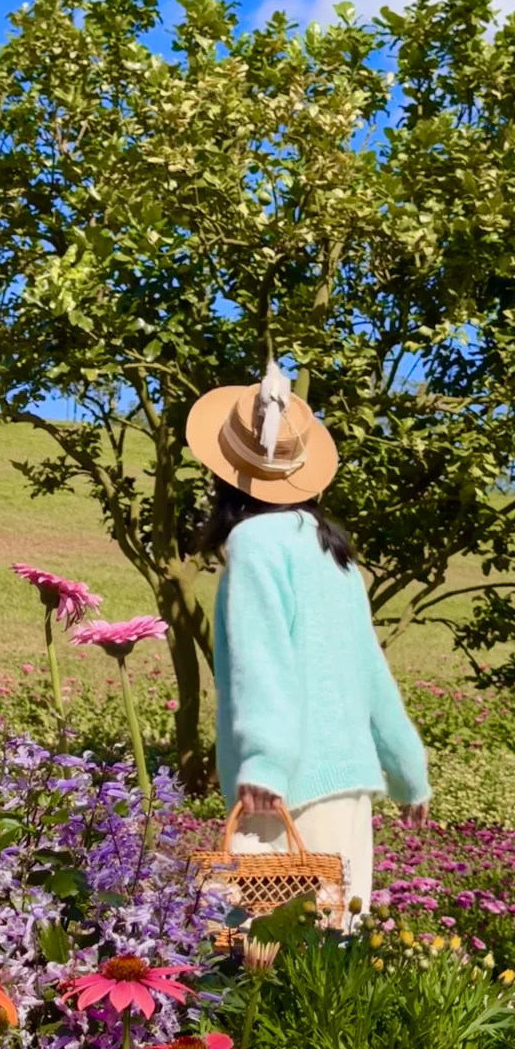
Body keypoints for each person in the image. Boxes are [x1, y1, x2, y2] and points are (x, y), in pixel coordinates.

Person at [185, 361, 430, 915]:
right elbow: (370, 671)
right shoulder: (330, 550)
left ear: (226, 473)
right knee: (333, 966)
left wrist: (266, 763)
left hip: (284, 794)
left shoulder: (253, 544)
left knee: (263, 962)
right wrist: (408, 769)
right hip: (348, 794)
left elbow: (262, 662)